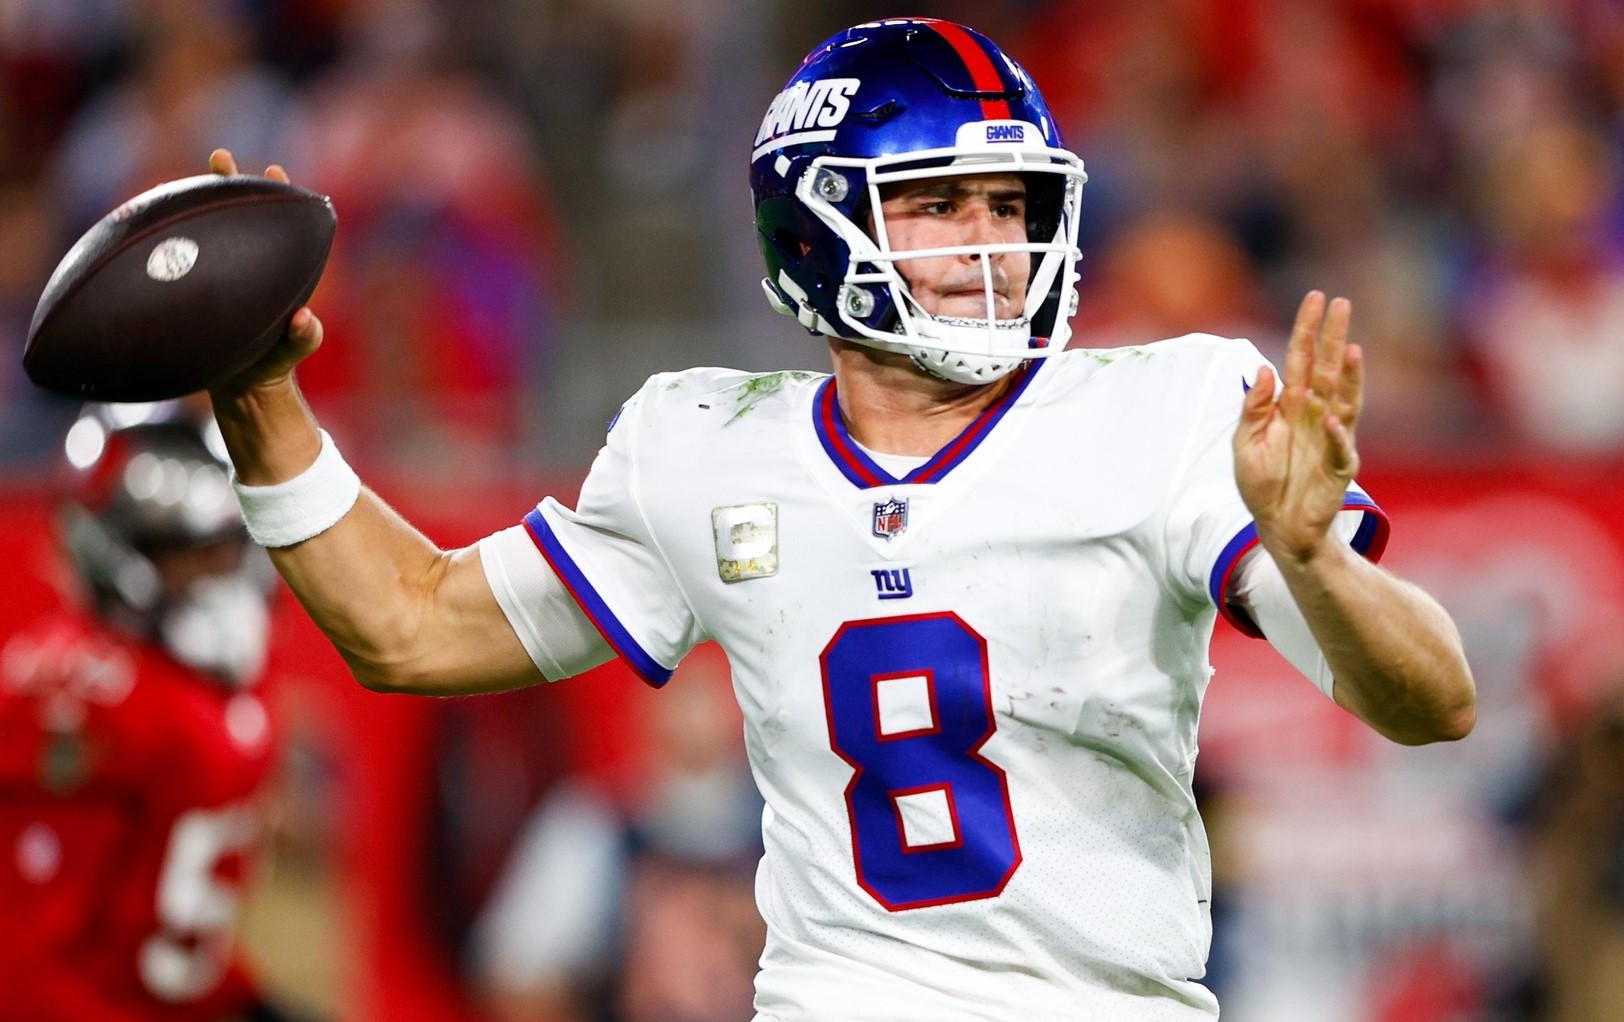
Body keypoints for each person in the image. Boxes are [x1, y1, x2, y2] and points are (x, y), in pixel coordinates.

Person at [203, 18, 1475, 1020]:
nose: (992, 243)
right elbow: (409, 628)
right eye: (939, 202)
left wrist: (1312, 555)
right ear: (814, 226)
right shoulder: (705, 444)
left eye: (1011, 204)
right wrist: (261, 401)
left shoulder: (1169, 404)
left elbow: (1431, 700)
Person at [0, 403, 288, 1021]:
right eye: (193, 557)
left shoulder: (196, 699)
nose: (224, 580)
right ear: (122, 558)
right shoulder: (75, 700)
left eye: (229, 554)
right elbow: (16, 978)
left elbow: (152, 933)